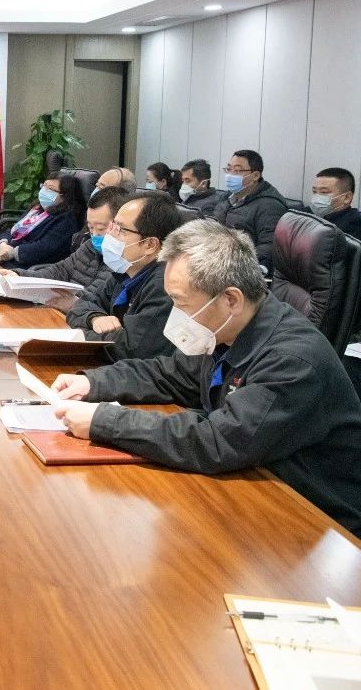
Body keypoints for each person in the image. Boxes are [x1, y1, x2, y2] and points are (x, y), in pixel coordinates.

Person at [52, 220, 361, 537]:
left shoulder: (292, 361)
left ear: (231, 299)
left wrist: (106, 420)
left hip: (315, 521)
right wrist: (94, 383)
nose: (175, 314)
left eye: (181, 303)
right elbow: (172, 373)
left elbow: (217, 441)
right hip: (251, 487)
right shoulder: (227, 330)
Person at [66, 192, 183, 360]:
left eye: (120, 229)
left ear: (150, 244)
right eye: (112, 226)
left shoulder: (165, 285)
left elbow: (130, 348)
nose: (110, 235)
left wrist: (78, 336)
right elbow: (81, 305)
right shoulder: (126, 272)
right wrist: (94, 318)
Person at [15, 187, 130, 288]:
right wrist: (19, 276)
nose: (94, 235)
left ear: (120, 225)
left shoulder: (124, 261)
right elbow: (61, 270)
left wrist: (69, 302)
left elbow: (97, 299)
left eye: (100, 228)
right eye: (90, 228)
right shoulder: (89, 246)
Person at [211, 149, 287, 271]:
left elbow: (269, 247)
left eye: (237, 170)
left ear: (255, 175)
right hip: (215, 258)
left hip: (240, 267)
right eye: (229, 169)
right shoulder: (226, 197)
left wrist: (232, 260)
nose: (230, 174)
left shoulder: (270, 205)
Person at [0, 174, 86, 269]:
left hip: (27, 267)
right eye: (44, 185)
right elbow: (13, 230)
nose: (44, 190)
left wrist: (13, 252)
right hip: (8, 257)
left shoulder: (67, 221)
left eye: (50, 189)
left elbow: (43, 248)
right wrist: (3, 244)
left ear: (65, 196)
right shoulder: (37, 210)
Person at [310, 167, 361, 241]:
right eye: (314, 192)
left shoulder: (355, 223)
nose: (316, 197)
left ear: (347, 197)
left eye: (324, 192)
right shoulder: (308, 213)